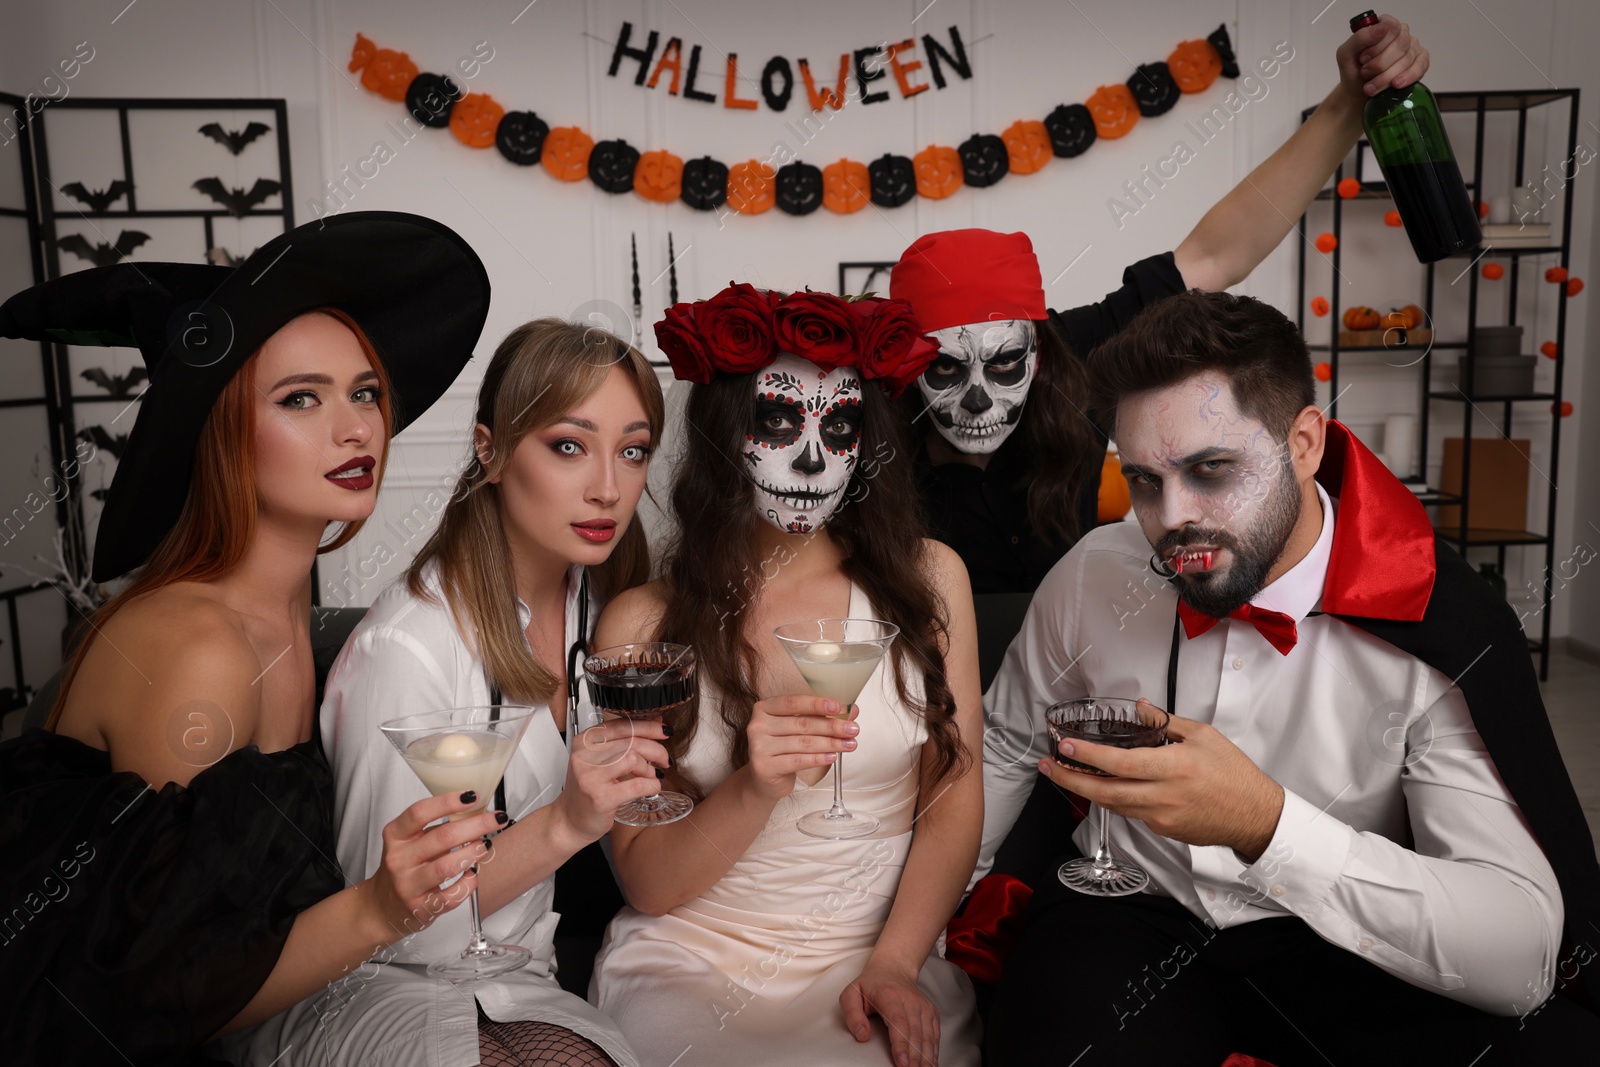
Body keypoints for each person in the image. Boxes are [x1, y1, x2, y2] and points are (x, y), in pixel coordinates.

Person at [979, 288, 1600, 1064]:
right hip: (1129, 916)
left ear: (1304, 442)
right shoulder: (1091, 575)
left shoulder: (1438, 624)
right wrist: (915, 932)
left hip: (1339, 937)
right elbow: (1003, 744)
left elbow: (1522, 954)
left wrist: (1267, 824)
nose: (1172, 518)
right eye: (1143, 480)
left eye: (1212, 469)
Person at [0, 212, 497, 1066]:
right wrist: (382, 906)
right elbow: (159, 992)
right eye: (300, 397)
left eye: (364, 392)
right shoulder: (201, 644)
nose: (355, 428)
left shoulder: (283, 615)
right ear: (223, 428)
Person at [217, 319, 666, 1067]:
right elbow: (393, 922)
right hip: (371, 983)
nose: (607, 487)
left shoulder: (610, 608)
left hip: (518, 974)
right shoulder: (409, 647)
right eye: (567, 445)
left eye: (632, 450)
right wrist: (566, 822)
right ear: (490, 450)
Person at [889, 12, 1430, 594]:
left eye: (1003, 363)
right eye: (944, 366)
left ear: (1038, 346)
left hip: (1064, 646)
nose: (976, 399)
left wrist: (1351, 100)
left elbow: (1218, 254)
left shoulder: (1078, 352)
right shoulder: (872, 421)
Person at [588, 285, 984, 1067]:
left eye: (839, 426)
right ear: (724, 434)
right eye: (777, 421)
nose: (812, 455)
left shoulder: (931, 581)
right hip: (691, 958)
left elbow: (953, 793)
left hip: (874, 955)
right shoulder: (641, 623)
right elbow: (649, 883)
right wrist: (753, 785)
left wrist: (897, 962)